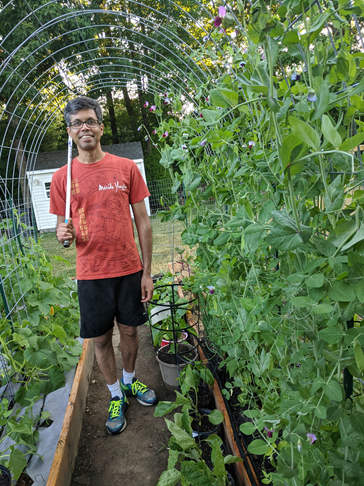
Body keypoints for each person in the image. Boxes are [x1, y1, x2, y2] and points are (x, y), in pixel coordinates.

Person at [49, 96, 157, 435]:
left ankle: (129, 382)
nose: (85, 127)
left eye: (90, 121)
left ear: (100, 126)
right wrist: (61, 232)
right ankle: (114, 395)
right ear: (70, 131)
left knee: (130, 331)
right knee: (99, 340)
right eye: (78, 122)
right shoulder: (62, 177)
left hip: (128, 270)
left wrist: (147, 272)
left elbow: (143, 222)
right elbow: (61, 231)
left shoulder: (126, 168)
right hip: (91, 274)